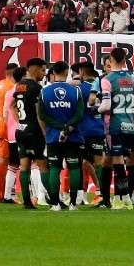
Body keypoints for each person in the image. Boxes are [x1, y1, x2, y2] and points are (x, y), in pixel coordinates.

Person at [99, 47, 134, 208]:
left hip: (115, 125)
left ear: (110, 61)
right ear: (125, 61)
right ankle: (124, 198)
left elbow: (106, 106)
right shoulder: (132, 79)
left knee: (117, 161)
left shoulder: (107, 79)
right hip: (131, 124)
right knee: (127, 160)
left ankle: (121, 198)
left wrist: (96, 108)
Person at [39, 62, 82, 211]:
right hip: (72, 135)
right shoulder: (75, 91)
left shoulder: (45, 92)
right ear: (67, 71)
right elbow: (79, 114)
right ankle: (73, 204)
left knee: (54, 168)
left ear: (53, 72)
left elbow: (42, 115)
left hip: (53, 136)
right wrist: (67, 128)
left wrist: (57, 127)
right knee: (74, 167)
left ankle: (56, 204)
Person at [11, 59, 47, 209]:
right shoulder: (37, 88)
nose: (44, 74)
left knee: (24, 167)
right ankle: (54, 198)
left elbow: (13, 106)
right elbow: (40, 114)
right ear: (35, 69)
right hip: (34, 131)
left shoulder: (19, 86)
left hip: (21, 130)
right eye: (43, 70)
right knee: (43, 166)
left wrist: (19, 120)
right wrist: (45, 133)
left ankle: (27, 202)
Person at [72, 64, 107, 207]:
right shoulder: (102, 86)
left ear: (82, 72)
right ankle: (101, 194)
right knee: (98, 163)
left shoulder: (79, 89)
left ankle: (80, 196)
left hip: (82, 131)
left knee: (80, 163)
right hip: (99, 129)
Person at [0, 63, 18, 202]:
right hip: (6, 126)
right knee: (5, 162)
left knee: (3, 161)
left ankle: (5, 193)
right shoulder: (11, 87)